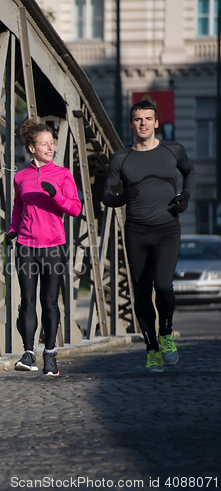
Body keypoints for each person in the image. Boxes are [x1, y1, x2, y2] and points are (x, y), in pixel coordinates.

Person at [103, 99, 197, 372]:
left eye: (148, 119)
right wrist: (121, 198)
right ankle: (151, 348)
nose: (143, 123)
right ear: (131, 123)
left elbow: (191, 174)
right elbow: (107, 195)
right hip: (136, 232)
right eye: (137, 119)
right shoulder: (121, 158)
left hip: (167, 229)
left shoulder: (173, 150)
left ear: (156, 122)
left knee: (164, 286)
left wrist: (186, 197)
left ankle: (166, 333)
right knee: (142, 292)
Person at [6, 119, 82, 375]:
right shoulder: (21, 177)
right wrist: (12, 229)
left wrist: (55, 195)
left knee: (49, 302)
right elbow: (18, 207)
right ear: (31, 148)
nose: (50, 148)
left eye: (52, 143)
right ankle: (29, 354)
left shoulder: (62, 175)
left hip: (53, 247)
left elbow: (75, 208)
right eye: (44, 144)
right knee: (27, 301)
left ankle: (50, 353)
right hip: (26, 245)